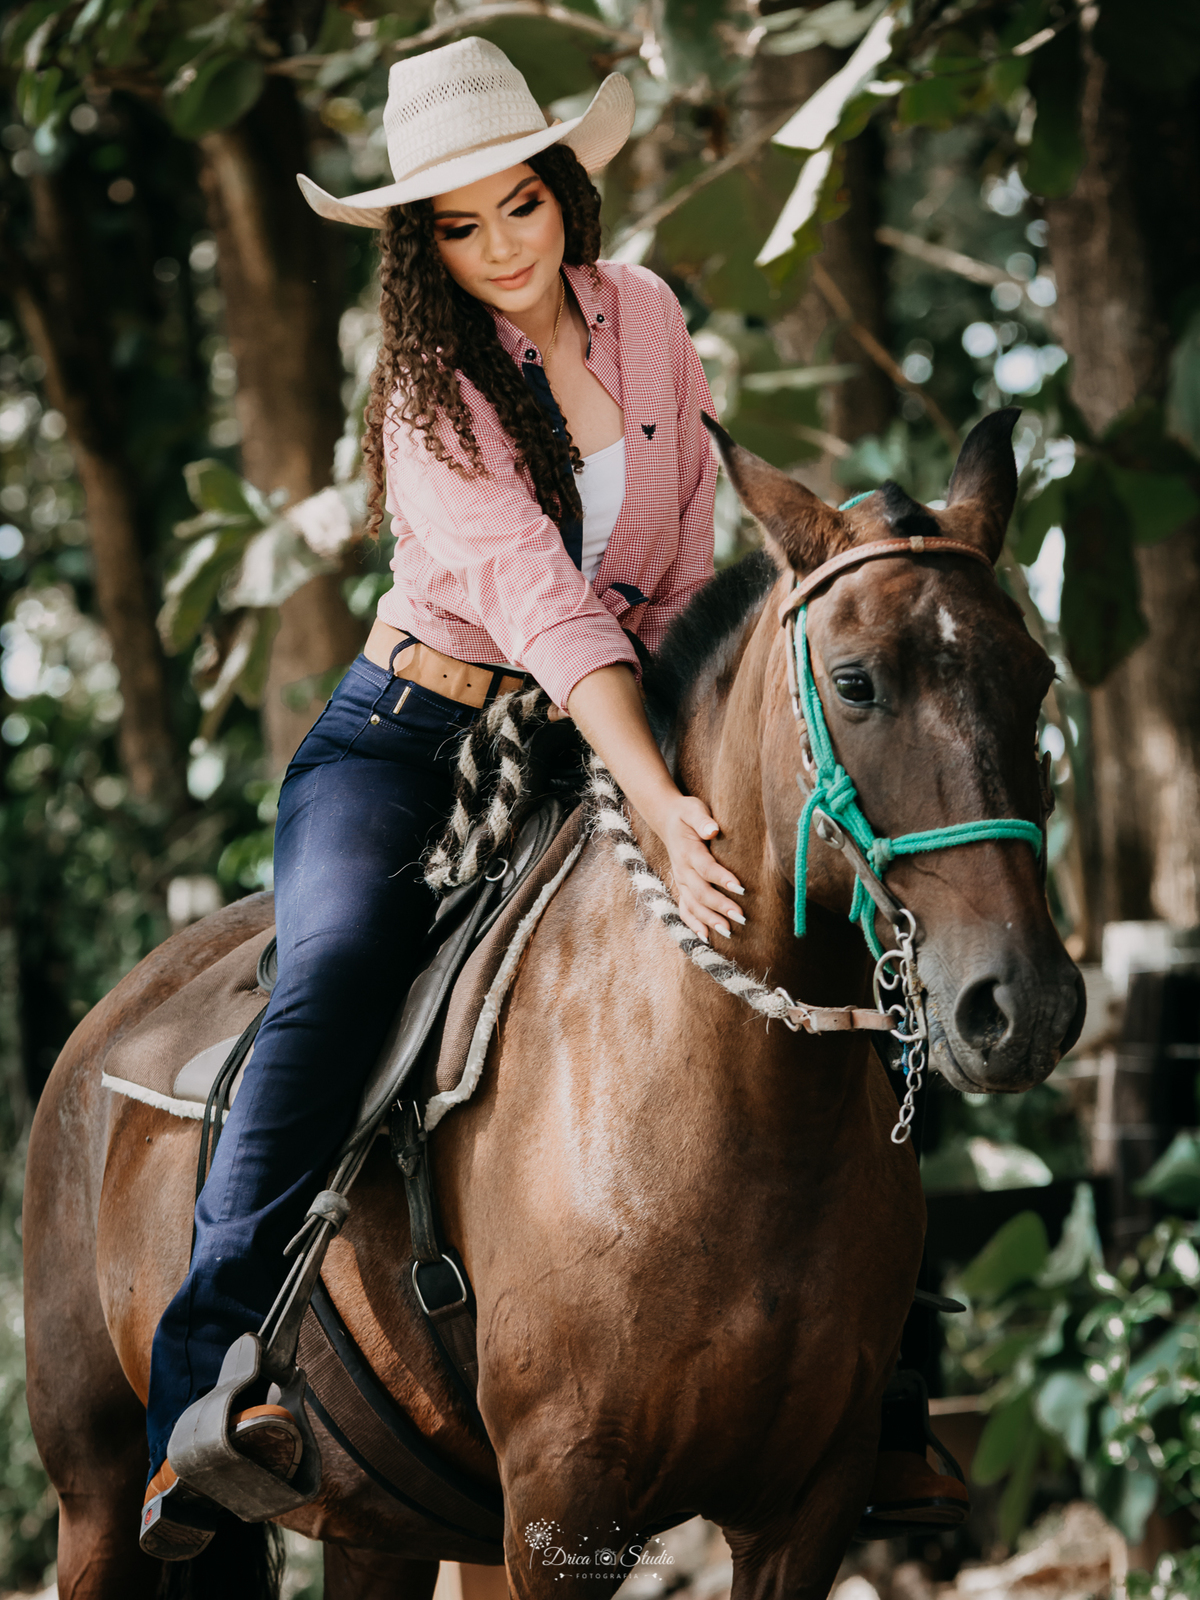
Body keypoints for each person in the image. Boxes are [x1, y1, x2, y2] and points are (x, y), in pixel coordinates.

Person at [140, 37, 746, 1560]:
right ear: (423, 247)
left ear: (567, 191)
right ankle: (204, 1395)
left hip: (593, 734)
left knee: (794, 929)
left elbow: (679, 569)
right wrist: (658, 799)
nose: (500, 253)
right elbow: (544, 607)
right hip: (409, 739)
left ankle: (868, 1371)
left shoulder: (654, 318)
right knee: (339, 966)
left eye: (520, 209)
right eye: (459, 230)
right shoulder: (426, 394)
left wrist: (685, 767)